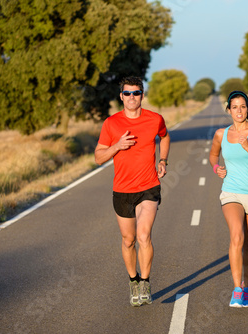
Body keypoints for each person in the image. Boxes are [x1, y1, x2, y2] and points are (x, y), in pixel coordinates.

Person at [94, 76, 170, 307]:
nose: (131, 97)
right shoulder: (111, 123)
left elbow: (165, 137)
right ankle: (133, 280)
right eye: (127, 93)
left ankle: (145, 283)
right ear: (121, 96)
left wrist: (163, 160)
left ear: (142, 95)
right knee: (128, 240)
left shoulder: (155, 119)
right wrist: (117, 146)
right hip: (122, 190)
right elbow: (98, 158)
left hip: (148, 187)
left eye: (136, 93)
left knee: (143, 235)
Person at [209, 90, 248, 307]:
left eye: (243, 106)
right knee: (237, 236)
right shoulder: (221, 134)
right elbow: (213, 154)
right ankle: (237, 289)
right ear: (228, 110)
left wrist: (247, 146)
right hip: (231, 191)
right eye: (234, 106)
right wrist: (217, 168)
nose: (239, 110)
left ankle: (247, 287)